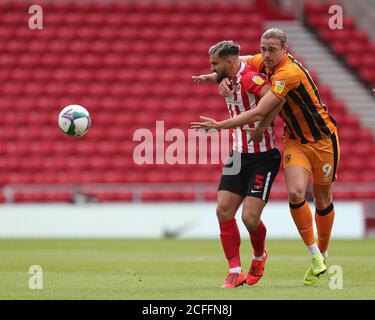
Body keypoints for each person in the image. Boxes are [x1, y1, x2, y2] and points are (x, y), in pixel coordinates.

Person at [191, 28, 340, 286]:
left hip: (321, 139)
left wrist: (221, 125)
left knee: (321, 199)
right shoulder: (257, 61)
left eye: (271, 50)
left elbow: (263, 108)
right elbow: (242, 59)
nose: (265, 54)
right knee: (288, 195)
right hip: (289, 140)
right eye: (263, 49)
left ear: (285, 49)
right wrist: (213, 77)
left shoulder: (286, 74)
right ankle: (237, 269)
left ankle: (321, 254)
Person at [194, 40, 282, 288]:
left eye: (215, 64)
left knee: (250, 218)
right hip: (238, 155)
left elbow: (277, 99)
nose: (212, 68)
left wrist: (263, 127)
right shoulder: (228, 77)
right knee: (223, 210)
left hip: (263, 157)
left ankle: (258, 256)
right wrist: (210, 77)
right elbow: (222, 76)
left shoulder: (250, 79)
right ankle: (234, 270)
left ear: (230, 63)